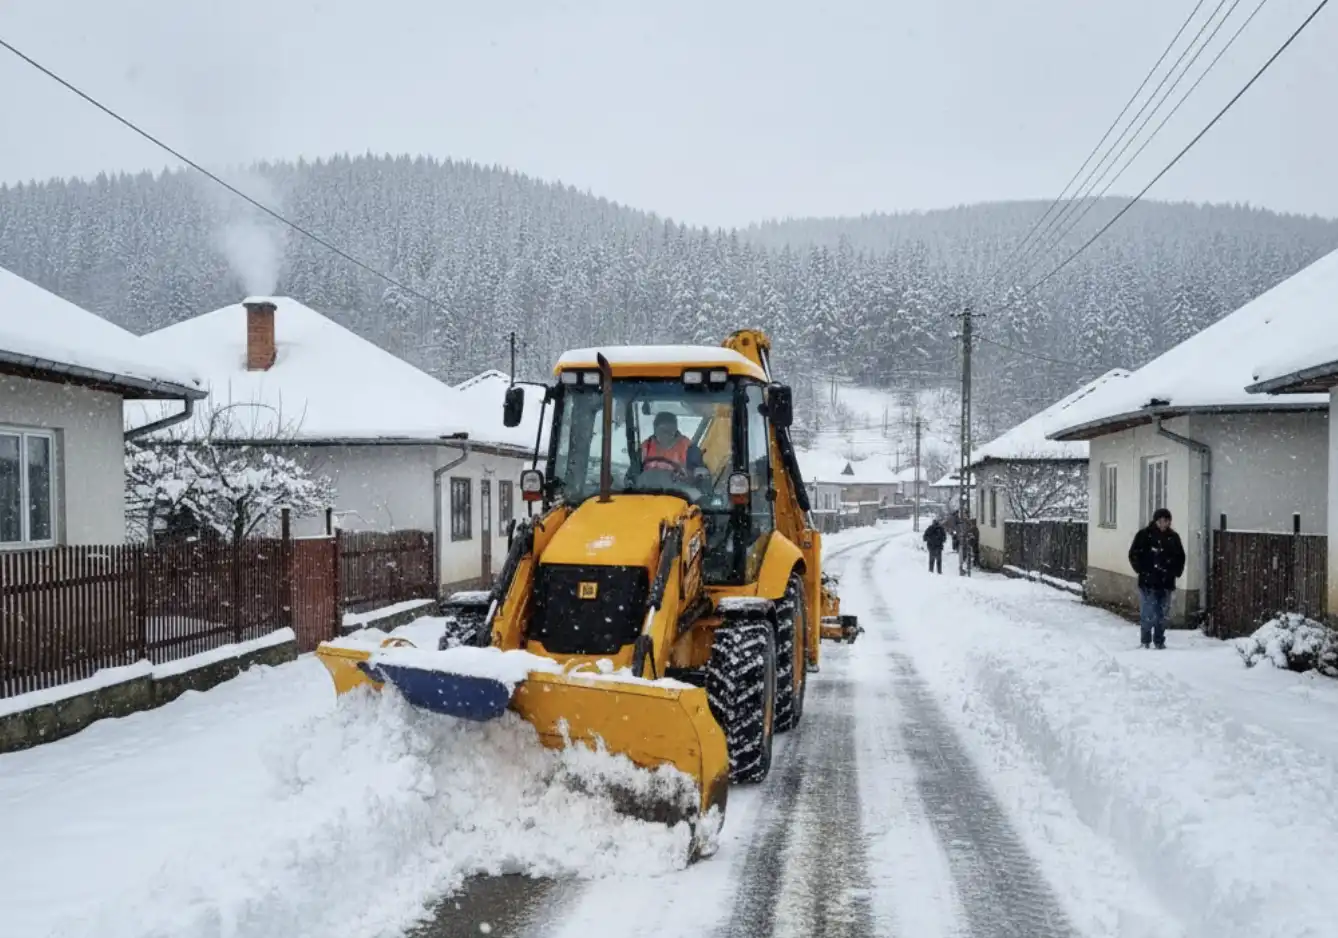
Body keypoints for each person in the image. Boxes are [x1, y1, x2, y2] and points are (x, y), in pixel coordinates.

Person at [1127, 507, 1186, 649]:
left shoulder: (1173, 538)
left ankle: (1159, 641)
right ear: (1155, 521)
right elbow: (1134, 554)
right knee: (1148, 613)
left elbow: (1180, 557)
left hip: (1166, 582)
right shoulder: (1144, 535)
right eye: (1160, 521)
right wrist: (1142, 569)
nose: (1163, 524)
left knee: (1162, 614)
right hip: (1148, 582)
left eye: (1166, 521)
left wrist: (1175, 571)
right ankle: (1145, 640)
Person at [640, 411, 708, 480]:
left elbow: (699, 472)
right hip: (647, 488)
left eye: (671, 430)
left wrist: (696, 475)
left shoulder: (688, 447)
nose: (667, 434)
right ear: (655, 430)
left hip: (679, 489)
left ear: (675, 429)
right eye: (663, 430)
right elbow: (633, 473)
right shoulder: (645, 447)